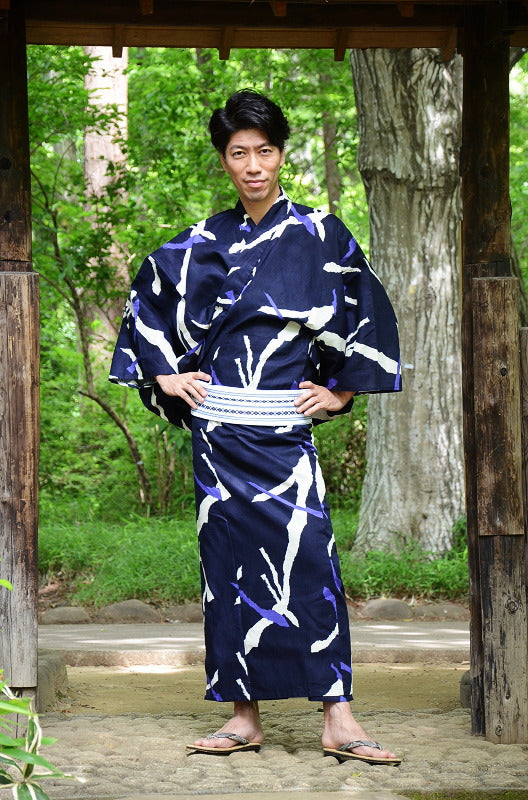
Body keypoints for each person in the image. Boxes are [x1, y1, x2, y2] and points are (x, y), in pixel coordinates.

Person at [110, 90, 402, 766]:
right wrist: (162, 374)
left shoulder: (322, 235)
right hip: (219, 438)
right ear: (224, 161)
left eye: (264, 151)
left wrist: (341, 391)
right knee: (228, 572)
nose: (252, 165)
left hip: (284, 435)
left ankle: (339, 716)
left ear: (281, 154)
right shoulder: (199, 245)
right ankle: (243, 717)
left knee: (311, 562)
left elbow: (364, 313)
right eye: (238, 153)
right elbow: (147, 299)